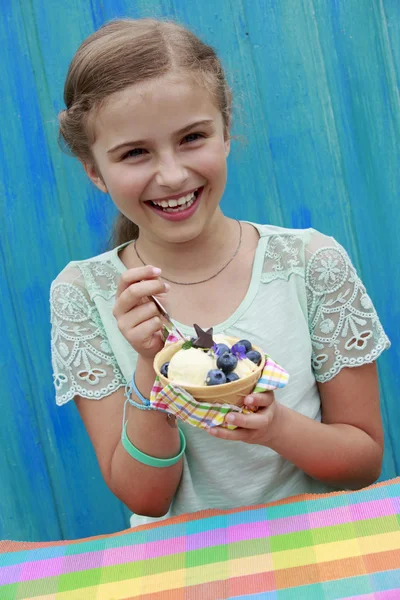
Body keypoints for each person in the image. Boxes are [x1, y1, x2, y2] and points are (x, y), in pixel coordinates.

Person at [50, 17, 390, 529]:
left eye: (192, 137)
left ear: (226, 130)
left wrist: (276, 427)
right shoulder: (83, 295)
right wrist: (151, 365)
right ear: (94, 170)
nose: (171, 175)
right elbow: (146, 498)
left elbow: (362, 466)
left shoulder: (310, 264)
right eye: (135, 152)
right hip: (184, 568)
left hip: (319, 551)